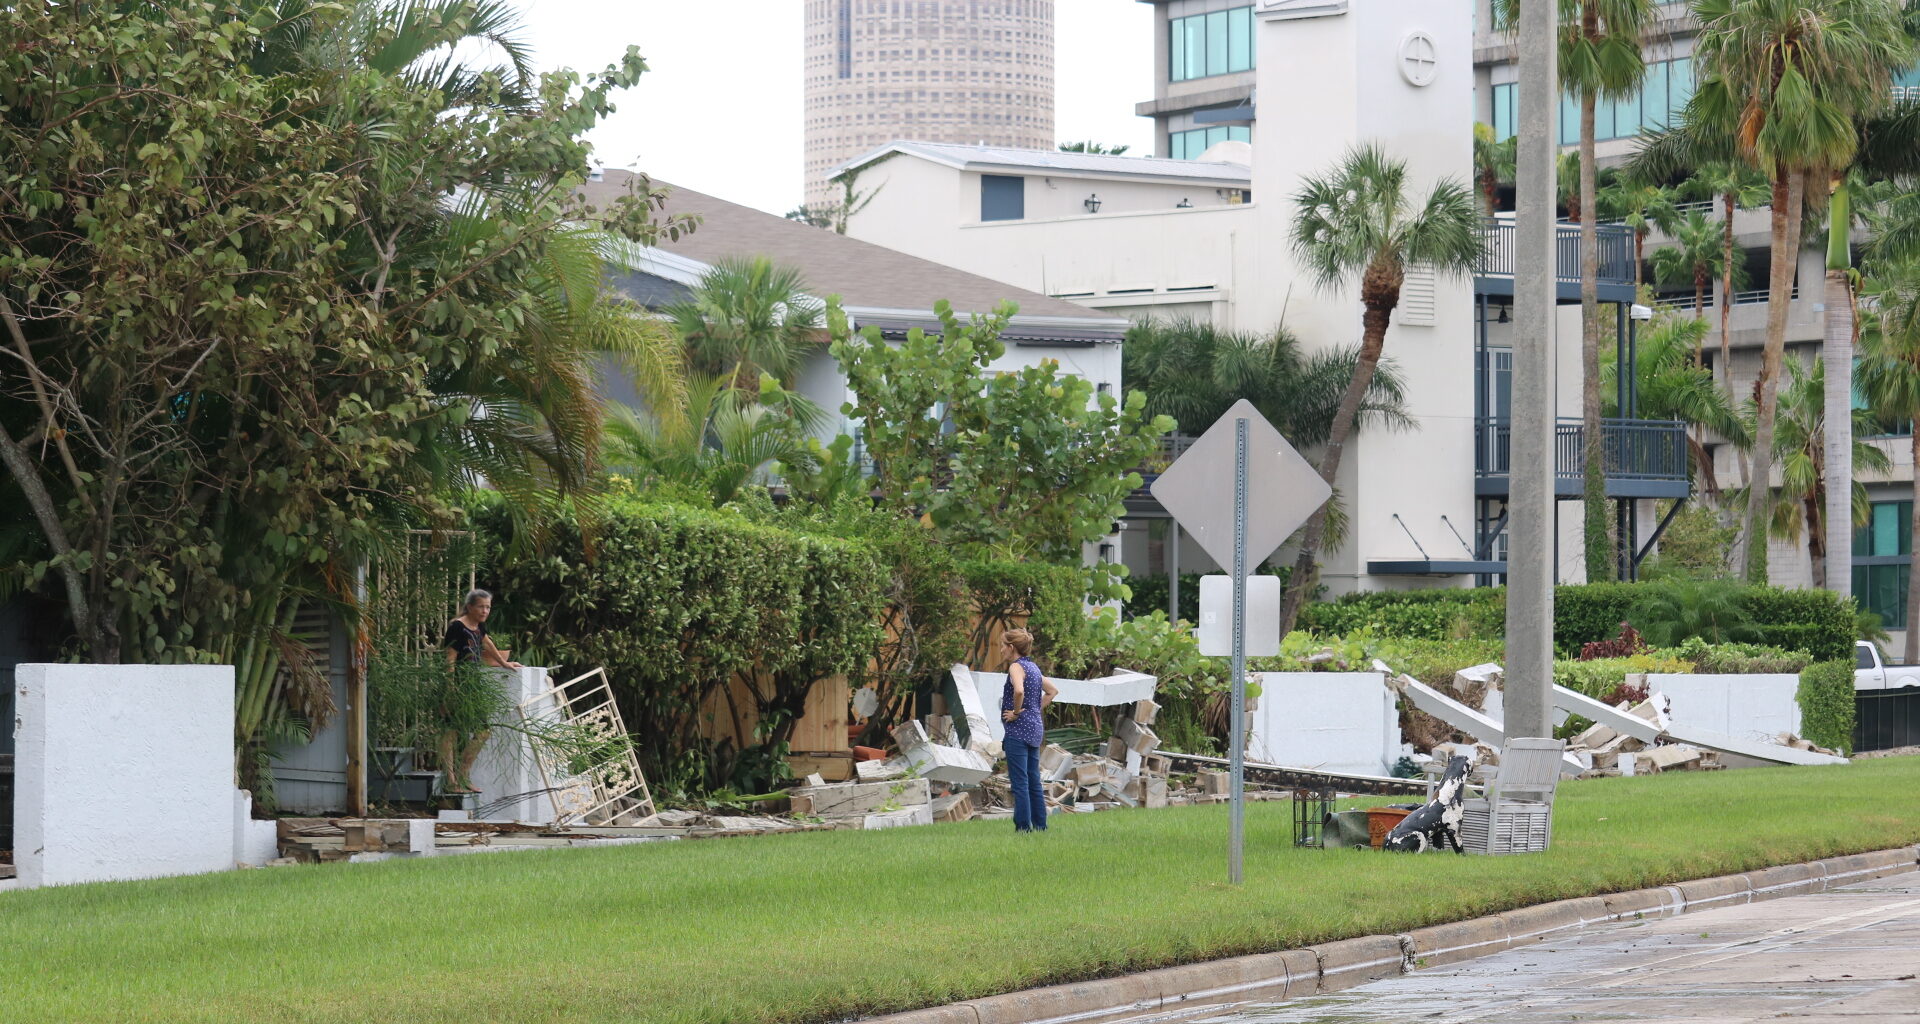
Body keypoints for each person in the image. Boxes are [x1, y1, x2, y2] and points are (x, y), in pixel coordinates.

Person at [439, 589, 522, 793]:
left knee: (482, 731)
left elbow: (487, 643)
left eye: (488, 607)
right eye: (481, 607)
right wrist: (450, 689)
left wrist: (504, 662)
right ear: (470, 607)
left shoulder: (479, 626)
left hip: (472, 685)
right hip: (458, 684)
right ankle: (451, 780)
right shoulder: (457, 627)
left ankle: (463, 774)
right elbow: (450, 659)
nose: (485, 611)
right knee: (451, 731)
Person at [999, 628, 1058, 833]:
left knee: (1020, 782)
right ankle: (1040, 825)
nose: (1000, 650)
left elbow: (1019, 690)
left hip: (1017, 732)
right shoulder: (1033, 668)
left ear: (1011, 647)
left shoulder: (1016, 667)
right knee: (1034, 780)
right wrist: (1033, 709)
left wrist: (1016, 712)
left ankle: (1023, 827)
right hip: (1034, 730)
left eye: (1003, 646)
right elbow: (1052, 691)